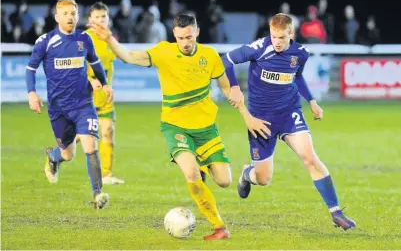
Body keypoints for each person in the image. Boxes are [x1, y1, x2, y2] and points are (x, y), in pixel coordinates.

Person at [89, 13, 269, 240]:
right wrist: (110, 40)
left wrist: (244, 112)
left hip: (206, 129)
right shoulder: (164, 52)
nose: (185, 42)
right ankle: (219, 227)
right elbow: (130, 57)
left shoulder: (209, 56)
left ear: (197, 33)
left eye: (189, 37)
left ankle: (225, 170)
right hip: (175, 127)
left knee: (224, 181)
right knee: (191, 173)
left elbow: (226, 88)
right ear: (175, 34)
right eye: (181, 37)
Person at [222, 13, 356, 231]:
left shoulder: (300, 53)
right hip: (260, 119)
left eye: (281, 38)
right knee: (264, 178)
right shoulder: (259, 48)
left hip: (289, 113)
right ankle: (247, 173)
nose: (276, 41)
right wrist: (235, 87)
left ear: (291, 34)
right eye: (273, 36)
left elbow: (298, 76)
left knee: (309, 157)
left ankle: (336, 212)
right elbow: (226, 60)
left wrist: (311, 101)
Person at [25, 0, 113, 209]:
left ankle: (98, 194)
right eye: (65, 14)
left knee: (90, 145)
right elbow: (30, 69)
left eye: (73, 13)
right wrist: (31, 93)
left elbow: (95, 63)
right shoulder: (45, 41)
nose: (70, 17)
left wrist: (105, 83)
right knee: (68, 153)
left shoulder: (84, 39)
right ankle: (54, 156)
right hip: (59, 109)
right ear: (57, 17)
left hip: (83, 103)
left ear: (77, 16)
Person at [83, 1, 124, 185]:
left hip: (105, 96)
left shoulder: (110, 39)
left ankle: (106, 175)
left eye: (103, 17)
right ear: (90, 19)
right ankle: (55, 156)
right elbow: (75, 68)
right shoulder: (84, 39)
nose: (100, 20)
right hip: (85, 97)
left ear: (108, 19)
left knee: (108, 132)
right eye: (97, 17)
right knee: (78, 139)